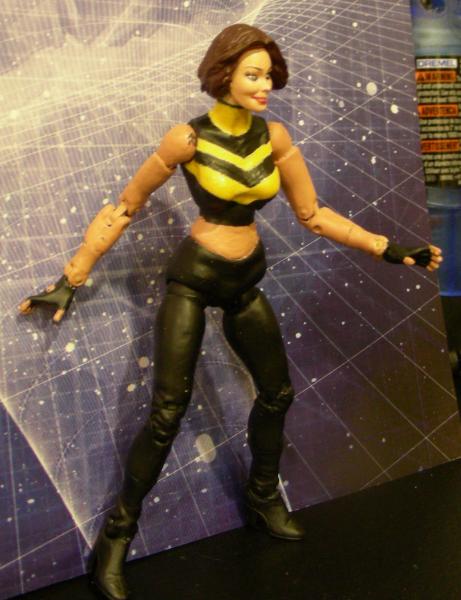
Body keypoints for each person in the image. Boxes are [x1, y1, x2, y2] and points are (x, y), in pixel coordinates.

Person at [19, 24, 442, 600]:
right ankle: (116, 538)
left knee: (277, 392)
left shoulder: (275, 137)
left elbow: (313, 214)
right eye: (252, 74)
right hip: (194, 282)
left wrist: (388, 248)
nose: (265, 85)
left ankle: (262, 497)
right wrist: (71, 278)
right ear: (223, 75)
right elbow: (126, 206)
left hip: (245, 283)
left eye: (268, 75)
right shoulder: (186, 140)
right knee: (167, 413)